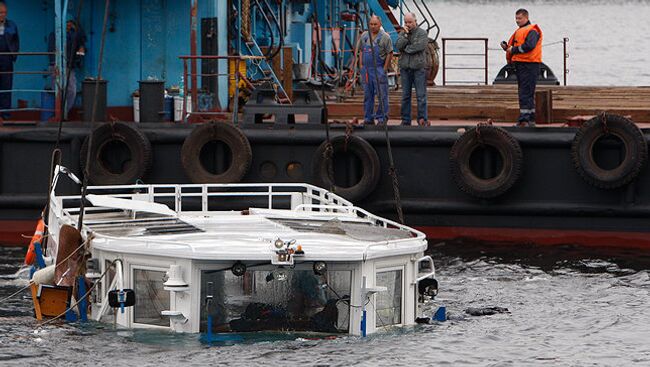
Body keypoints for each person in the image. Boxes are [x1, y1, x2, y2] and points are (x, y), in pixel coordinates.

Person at [502, 8, 542, 127]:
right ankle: (530, 119)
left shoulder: (532, 30)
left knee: (525, 92)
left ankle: (524, 120)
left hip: (529, 64)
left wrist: (513, 49)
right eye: (516, 18)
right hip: (521, 64)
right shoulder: (521, 31)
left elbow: (529, 46)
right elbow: (518, 46)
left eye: (519, 18)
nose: (517, 21)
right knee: (526, 92)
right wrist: (507, 48)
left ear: (526, 18)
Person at [356, 15, 393, 125]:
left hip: (379, 69)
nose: (372, 26)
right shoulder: (364, 36)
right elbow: (361, 50)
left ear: (380, 24)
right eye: (371, 24)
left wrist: (385, 69)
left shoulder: (385, 37)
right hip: (366, 70)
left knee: (382, 95)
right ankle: (368, 118)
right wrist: (361, 65)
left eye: (375, 24)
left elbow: (389, 53)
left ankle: (382, 118)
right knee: (368, 95)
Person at [48, 18, 86, 117]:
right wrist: (54, 65)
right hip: (56, 66)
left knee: (72, 91)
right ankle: (57, 114)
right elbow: (52, 51)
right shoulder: (54, 34)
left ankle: (64, 113)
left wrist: (76, 29)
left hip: (69, 66)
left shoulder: (73, 35)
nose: (68, 27)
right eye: (66, 25)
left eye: (70, 25)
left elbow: (82, 40)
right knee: (57, 91)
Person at [395, 12, 428, 126]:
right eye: (406, 22)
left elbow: (420, 46)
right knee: (405, 96)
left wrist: (406, 49)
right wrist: (405, 35)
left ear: (415, 21)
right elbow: (398, 45)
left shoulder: (422, 33)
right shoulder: (402, 33)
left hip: (419, 69)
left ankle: (422, 119)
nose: (408, 24)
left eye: (410, 22)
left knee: (421, 96)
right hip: (405, 69)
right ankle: (405, 120)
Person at [0, 2, 19, 119]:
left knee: (6, 87)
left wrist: (14, 55)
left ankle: (5, 114)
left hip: (7, 59)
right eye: (0, 13)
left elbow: (16, 41)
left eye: (4, 12)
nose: (3, 15)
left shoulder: (11, 25)